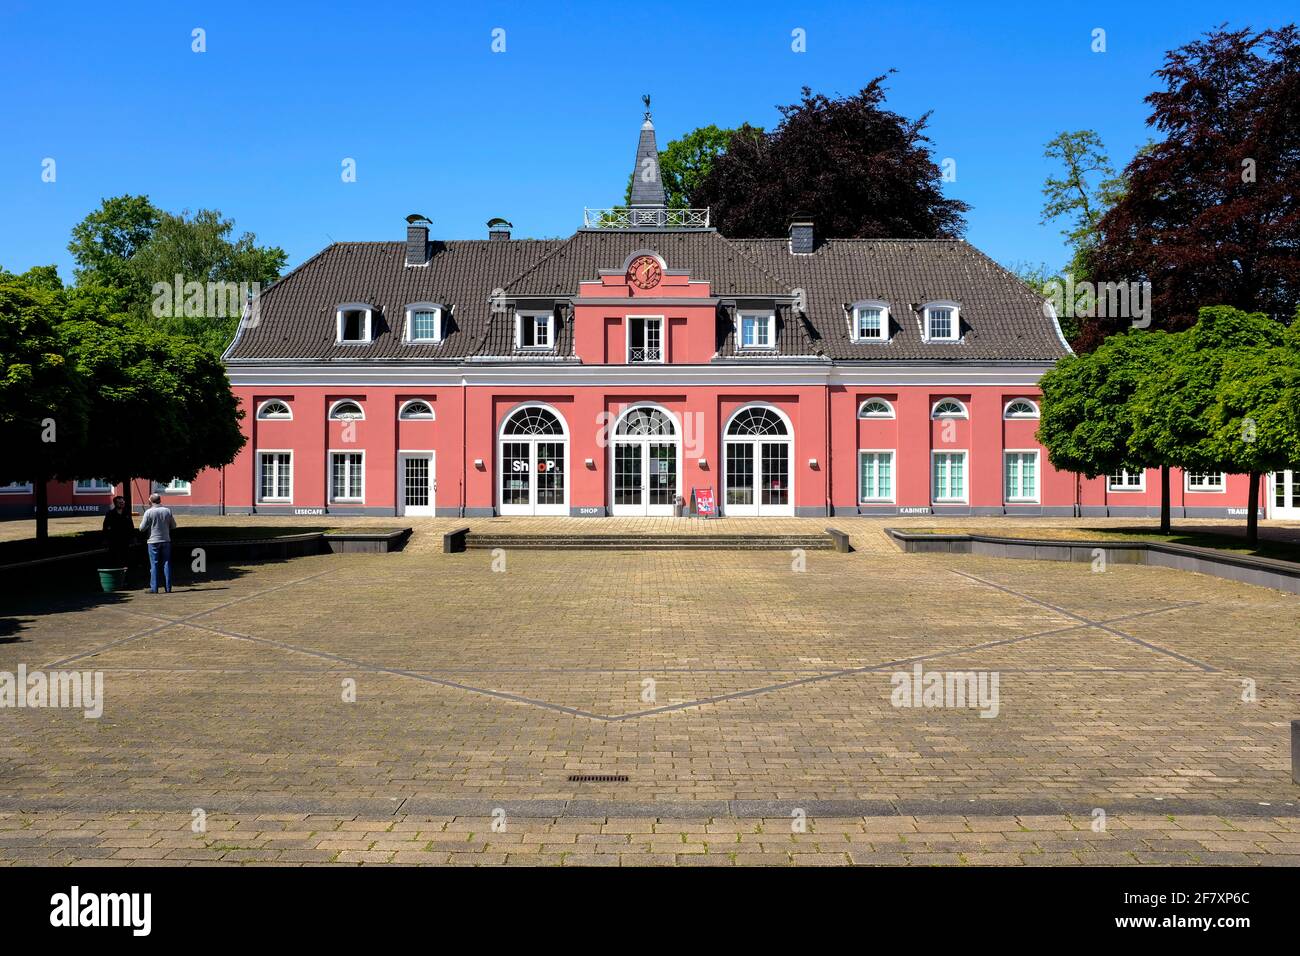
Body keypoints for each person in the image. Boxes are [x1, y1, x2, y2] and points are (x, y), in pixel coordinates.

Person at [138, 492, 178, 593]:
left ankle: (154, 588)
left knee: (154, 564)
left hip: (153, 541)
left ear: (150, 501)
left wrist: (149, 525)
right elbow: (173, 525)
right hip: (166, 540)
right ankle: (168, 588)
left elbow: (141, 528)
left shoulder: (149, 512)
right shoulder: (167, 511)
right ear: (160, 500)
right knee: (166, 563)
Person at [102, 495, 135, 570]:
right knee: (114, 559)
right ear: (115, 504)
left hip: (125, 540)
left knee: (125, 559)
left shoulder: (126, 513)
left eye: (123, 502)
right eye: (120, 502)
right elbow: (105, 527)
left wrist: (133, 537)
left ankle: (125, 576)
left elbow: (131, 525)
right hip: (114, 541)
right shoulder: (110, 513)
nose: (122, 504)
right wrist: (105, 538)